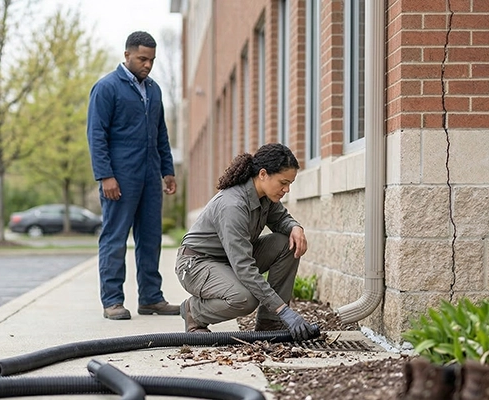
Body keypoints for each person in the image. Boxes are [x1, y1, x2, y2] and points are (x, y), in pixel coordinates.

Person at [175, 143, 320, 341]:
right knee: (245, 298)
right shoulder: (232, 206)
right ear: (263, 174)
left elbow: (281, 220)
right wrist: (283, 310)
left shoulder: (266, 196)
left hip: (228, 260)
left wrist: (296, 227)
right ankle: (194, 311)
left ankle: (269, 324)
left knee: (287, 243)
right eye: (283, 182)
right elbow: (244, 267)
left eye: (290, 184)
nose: (287, 189)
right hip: (197, 264)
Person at [87, 31, 179, 320]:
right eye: (142, 59)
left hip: (151, 176)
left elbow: (160, 133)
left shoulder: (154, 90)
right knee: (114, 238)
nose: (148, 65)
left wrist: (168, 169)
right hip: (120, 178)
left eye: (151, 60)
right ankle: (112, 301)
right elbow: (96, 135)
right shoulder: (107, 88)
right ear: (127, 55)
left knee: (150, 239)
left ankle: (151, 298)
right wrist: (105, 176)